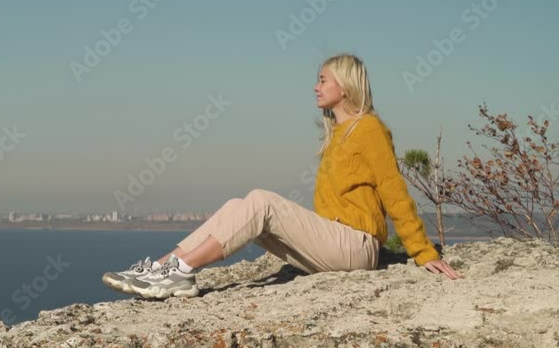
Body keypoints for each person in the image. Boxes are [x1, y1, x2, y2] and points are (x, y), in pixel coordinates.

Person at [102, 53, 461, 300]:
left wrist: (422, 251)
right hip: (335, 244)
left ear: (345, 86)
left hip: (356, 246)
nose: (316, 86)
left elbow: (394, 191)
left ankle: (181, 270)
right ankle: (161, 268)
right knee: (238, 206)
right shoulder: (339, 134)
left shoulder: (369, 129)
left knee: (262, 201)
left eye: (323, 80)